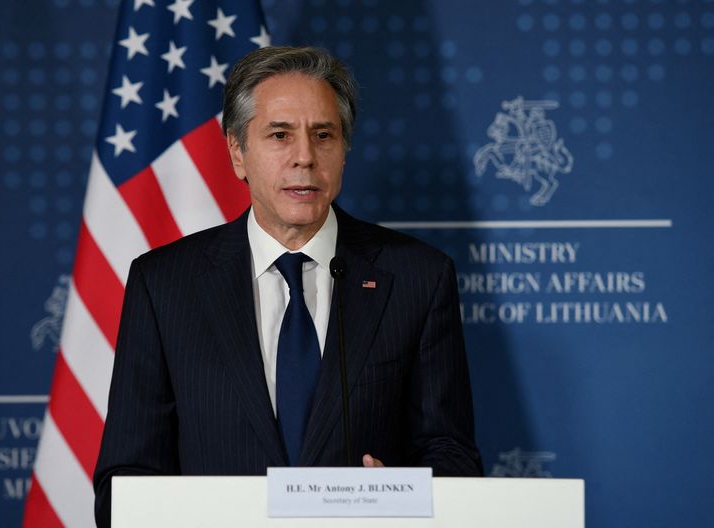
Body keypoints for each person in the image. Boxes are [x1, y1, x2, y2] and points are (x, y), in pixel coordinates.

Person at [93, 46, 482, 526]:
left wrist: (399, 491)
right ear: (238, 152)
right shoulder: (165, 284)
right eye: (280, 135)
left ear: (344, 150)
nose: (305, 158)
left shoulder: (418, 277)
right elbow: (125, 479)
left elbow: (453, 456)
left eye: (324, 136)